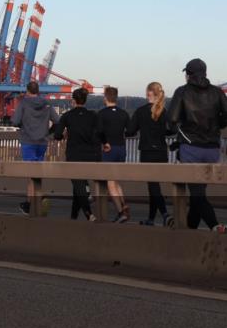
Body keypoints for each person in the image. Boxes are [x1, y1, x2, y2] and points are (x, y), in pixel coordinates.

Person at [168, 58, 227, 234]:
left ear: (188, 74)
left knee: (197, 194)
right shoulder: (217, 92)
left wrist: (181, 134)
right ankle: (191, 229)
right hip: (212, 149)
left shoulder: (182, 92)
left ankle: (215, 225)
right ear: (205, 73)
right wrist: (217, 126)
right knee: (199, 192)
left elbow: (172, 120)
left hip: (191, 147)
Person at [127, 82, 175, 227]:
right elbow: (173, 129)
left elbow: (130, 131)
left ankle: (166, 214)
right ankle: (151, 219)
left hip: (147, 152)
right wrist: (162, 132)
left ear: (148, 93)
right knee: (154, 187)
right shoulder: (164, 111)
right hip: (161, 152)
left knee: (153, 187)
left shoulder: (141, 111)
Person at [54, 87, 100, 221]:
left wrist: (64, 134)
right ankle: (73, 217)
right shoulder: (93, 116)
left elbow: (57, 135)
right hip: (90, 155)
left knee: (78, 184)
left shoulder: (67, 116)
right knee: (78, 187)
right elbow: (98, 135)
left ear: (73, 100)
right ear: (85, 100)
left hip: (74, 155)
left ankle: (88, 214)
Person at [13, 81, 55, 216]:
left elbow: (15, 121)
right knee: (36, 172)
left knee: (31, 174)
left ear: (27, 91)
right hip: (42, 142)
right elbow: (58, 120)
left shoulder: (24, 103)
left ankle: (36, 200)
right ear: (38, 91)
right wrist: (49, 134)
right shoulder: (47, 104)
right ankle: (30, 202)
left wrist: (24, 126)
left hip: (28, 141)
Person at [97, 86, 131, 222]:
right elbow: (130, 131)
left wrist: (105, 142)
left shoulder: (102, 113)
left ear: (105, 98)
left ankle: (120, 211)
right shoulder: (124, 114)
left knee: (110, 183)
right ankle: (124, 204)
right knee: (116, 181)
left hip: (109, 149)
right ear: (116, 98)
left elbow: (99, 132)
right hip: (121, 148)